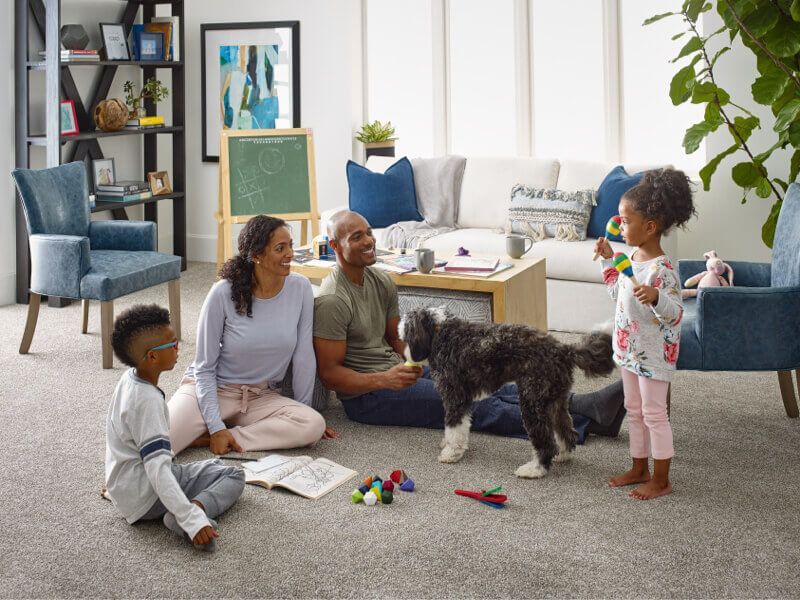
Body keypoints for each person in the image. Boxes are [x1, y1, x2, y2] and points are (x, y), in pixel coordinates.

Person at [313, 210, 625, 443]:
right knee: (474, 403)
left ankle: (582, 404)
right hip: (368, 396)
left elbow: (396, 339)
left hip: (397, 371)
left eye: (368, 232)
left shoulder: (380, 280)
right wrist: (384, 380)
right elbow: (329, 374)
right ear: (335, 245)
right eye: (357, 237)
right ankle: (587, 422)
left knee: (487, 380)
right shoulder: (332, 300)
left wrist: (433, 361)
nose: (369, 240)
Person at [168, 215, 330, 456]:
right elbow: (204, 367)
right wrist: (215, 424)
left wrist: (302, 409)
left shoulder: (301, 287)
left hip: (259, 396)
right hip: (213, 390)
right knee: (156, 442)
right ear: (256, 256)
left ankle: (228, 436)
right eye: (280, 248)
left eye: (290, 245)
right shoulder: (222, 293)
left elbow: (303, 355)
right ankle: (215, 429)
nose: (290, 254)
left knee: (313, 424)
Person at [105, 304, 245, 552]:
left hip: (125, 491)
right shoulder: (148, 401)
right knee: (233, 475)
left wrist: (119, 485)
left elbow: (118, 439)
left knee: (193, 466)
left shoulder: (127, 381)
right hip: (149, 497)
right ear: (152, 357)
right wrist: (191, 519)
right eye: (172, 343)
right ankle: (192, 511)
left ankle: (178, 509)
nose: (178, 347)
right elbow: (158, 470)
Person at [594, 168, 695, 500]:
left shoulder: (661, 271)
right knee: (633, 409)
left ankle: (662, 479)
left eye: (625, 221)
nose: (619, 227)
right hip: (629, 351)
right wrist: (607, 261)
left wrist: (656, 297)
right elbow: (616, 294)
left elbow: (675, 314)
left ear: (650, 227)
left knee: (654, 414)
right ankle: (639, 468)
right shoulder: (631, 258)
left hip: (653, 356)